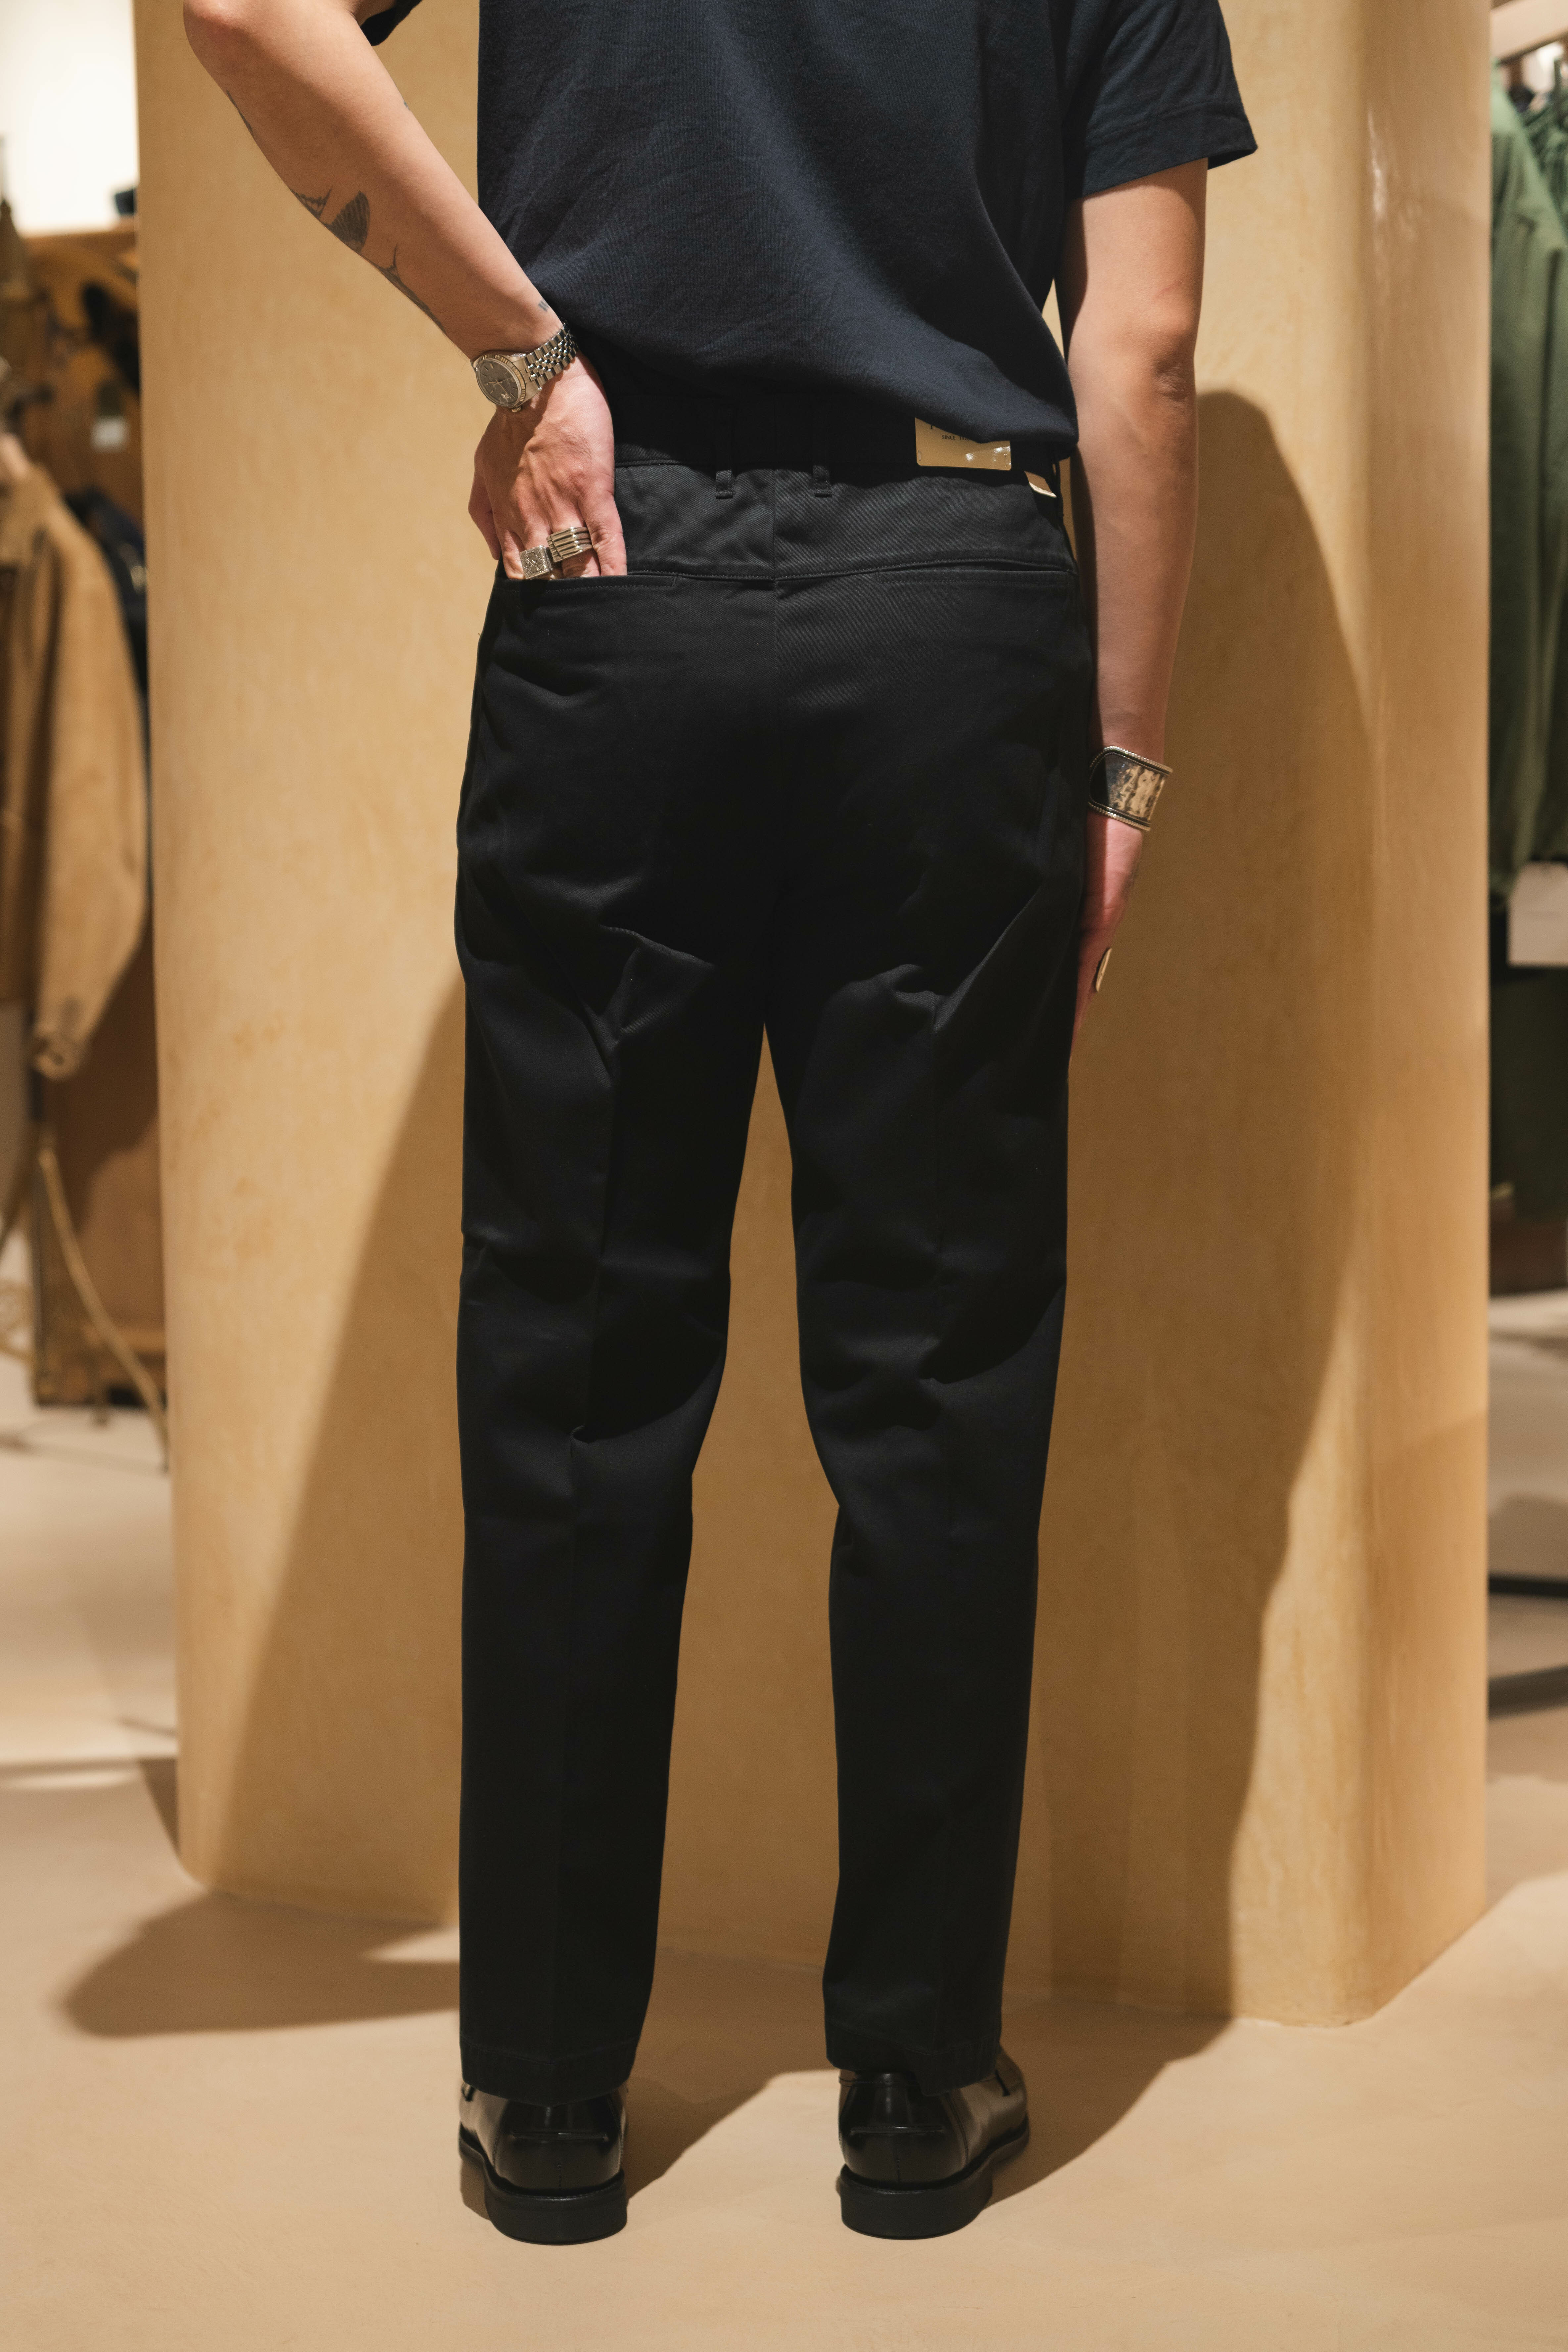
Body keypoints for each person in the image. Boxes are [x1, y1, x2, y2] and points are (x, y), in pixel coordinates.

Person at [184, 0, 1254, 2245]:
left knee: (573, 1359)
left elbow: (241, 12)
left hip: (618, 588)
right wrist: (1125, 758)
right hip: (955, 616)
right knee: (936, 1377)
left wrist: (520, 353)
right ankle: (917, 2080)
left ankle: (546, 2088)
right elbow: (1140, 354)